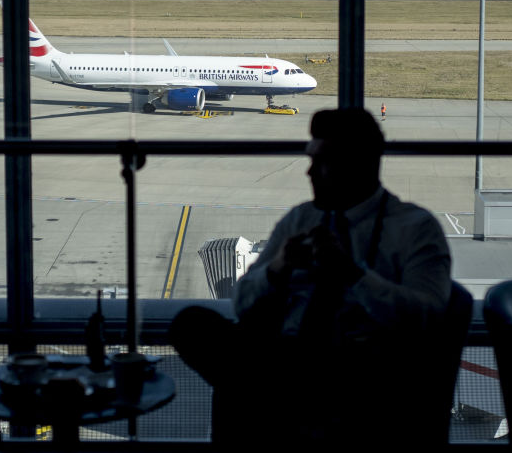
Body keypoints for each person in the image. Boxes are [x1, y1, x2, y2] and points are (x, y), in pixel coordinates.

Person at [170, 107, 451, 446]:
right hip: (288, 357)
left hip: (363, 369)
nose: (309, 172)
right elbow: (242, 302)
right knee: (190, 324)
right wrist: (278, 268)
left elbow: (429, 317)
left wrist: (352, 274)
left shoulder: (415, 229)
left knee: (243, 389)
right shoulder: (300, 220)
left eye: (322, 162)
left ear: (358, 165)